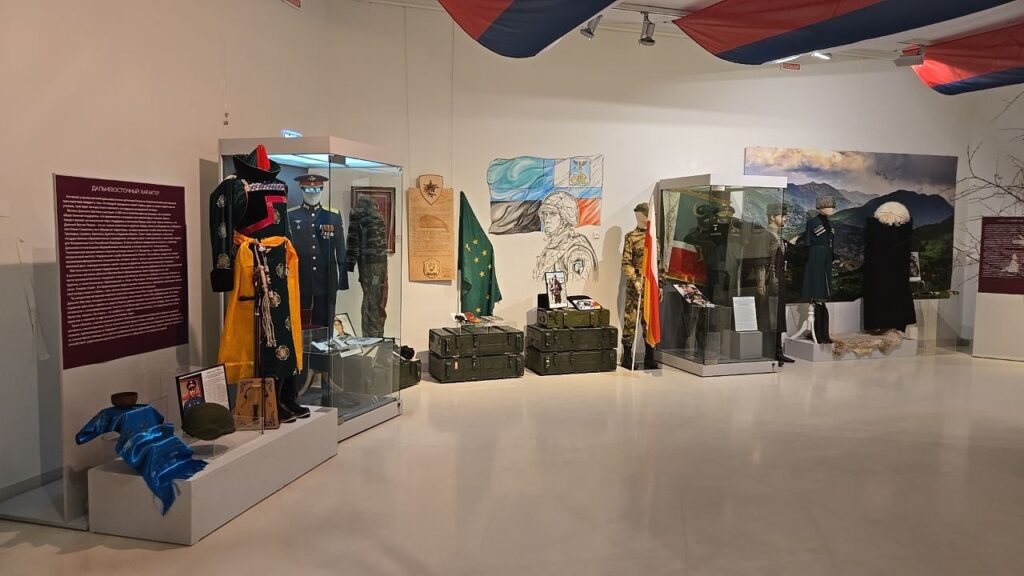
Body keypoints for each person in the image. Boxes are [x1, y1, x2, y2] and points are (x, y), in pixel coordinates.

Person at [621, 203, 656, 370]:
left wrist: (660, 284)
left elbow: (658, 264)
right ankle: (627, 357)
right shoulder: (631, 237)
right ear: (640, 215)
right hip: (635, 287)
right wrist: (634, 280)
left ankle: (650, 357)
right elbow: (626, 262)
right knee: (631, 320)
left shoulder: (654, 238)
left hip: (650, 286)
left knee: (649, 321)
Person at [533, 191, 598, 282]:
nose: (547, 220)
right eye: (545, 214)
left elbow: (577, 288)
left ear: (565, 218)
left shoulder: (577, 251)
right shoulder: (550, 248)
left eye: (553, 214)